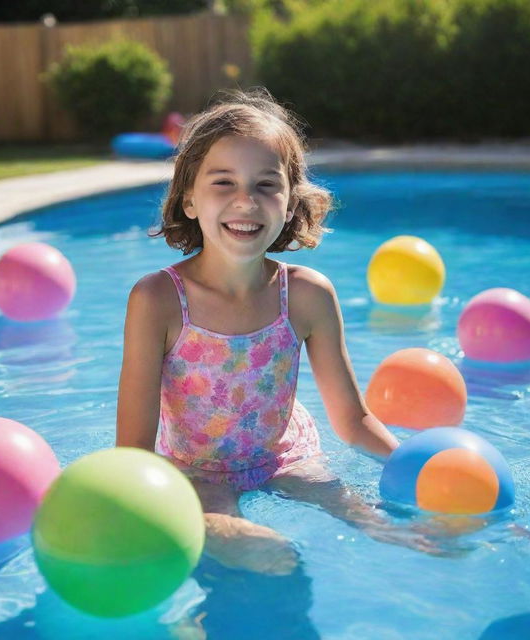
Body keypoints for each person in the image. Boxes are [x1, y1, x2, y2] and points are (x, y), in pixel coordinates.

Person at [116, 88, 429, 576]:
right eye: (224, 182)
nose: (246, 201)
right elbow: (133, 448)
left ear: (289, 203)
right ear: (189, 200)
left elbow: (352, 419)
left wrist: (415, 469)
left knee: (380, 525)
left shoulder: (307, 295)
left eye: (266, 184)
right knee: (267, 555)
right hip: (197, 470)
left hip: (285, 455)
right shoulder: (157, 300)